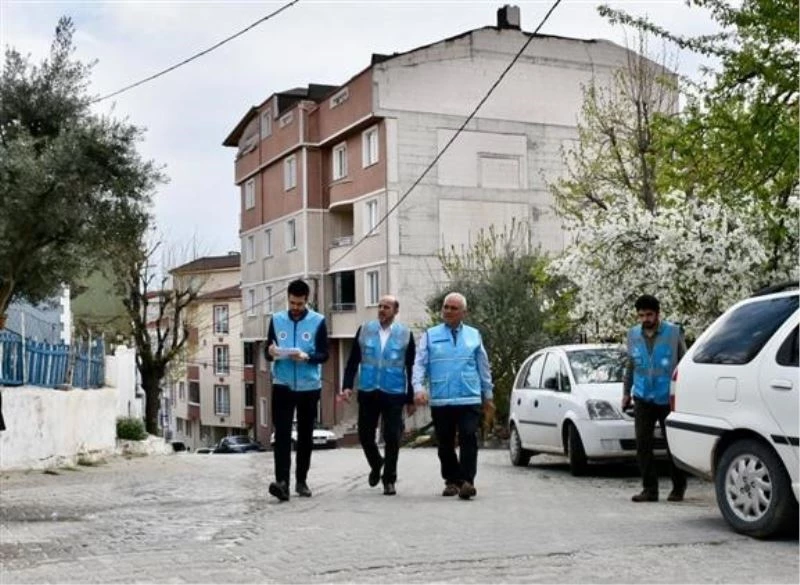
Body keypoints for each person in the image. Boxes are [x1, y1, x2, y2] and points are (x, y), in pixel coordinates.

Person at [412, 292, 494, 500]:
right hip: (442, 397)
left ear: (463, 313)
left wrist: (488, 395)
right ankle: (451, 480)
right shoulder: (430, 335)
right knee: (445, 442)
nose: (448, 311)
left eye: (453, 308)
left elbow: (483, 366)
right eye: (445, 307)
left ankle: (467, 481)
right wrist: (418, 388)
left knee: (468, 436)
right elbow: (420, 364)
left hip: (469, 395)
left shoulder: (474, 335)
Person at [339, 295, 416, 496]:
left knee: (392, 437)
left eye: (387, 307)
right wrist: (347, 386)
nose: (382, 310)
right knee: (365, 435)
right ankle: (376, 462)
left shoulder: (405, 334)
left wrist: (410, 398)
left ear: (395, 311)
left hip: (394, 392)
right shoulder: (365, 330)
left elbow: (411, 367)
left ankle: (389, 479)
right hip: (368, 390)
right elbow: (353, 361)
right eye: (380, 306)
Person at [265, 279, 329, 502]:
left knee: (304, 436)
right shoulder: (276, 319)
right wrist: (272, 351)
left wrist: (307, 357)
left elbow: (324, 354)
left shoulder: (318, 321)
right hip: (282, 383)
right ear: (288, 299)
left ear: (306, 301)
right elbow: (267, 350)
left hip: (309, 386)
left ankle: (301, 480)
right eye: (292, 303)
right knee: (281, 434)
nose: (295, 308)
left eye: (300, 304)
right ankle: (282, 482)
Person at [622, 294, 688, 503]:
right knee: (643, 444)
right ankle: (649, 490)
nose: (645, 319)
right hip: (642, 397)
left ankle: (678, 487)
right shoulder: (633, 335)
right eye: (641, 315)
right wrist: (626, 392)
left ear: (658, 314)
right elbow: (631, 365)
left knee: (673, 445)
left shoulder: (673, 332)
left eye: (649, 314)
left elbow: (684, 364)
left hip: (667, 398)